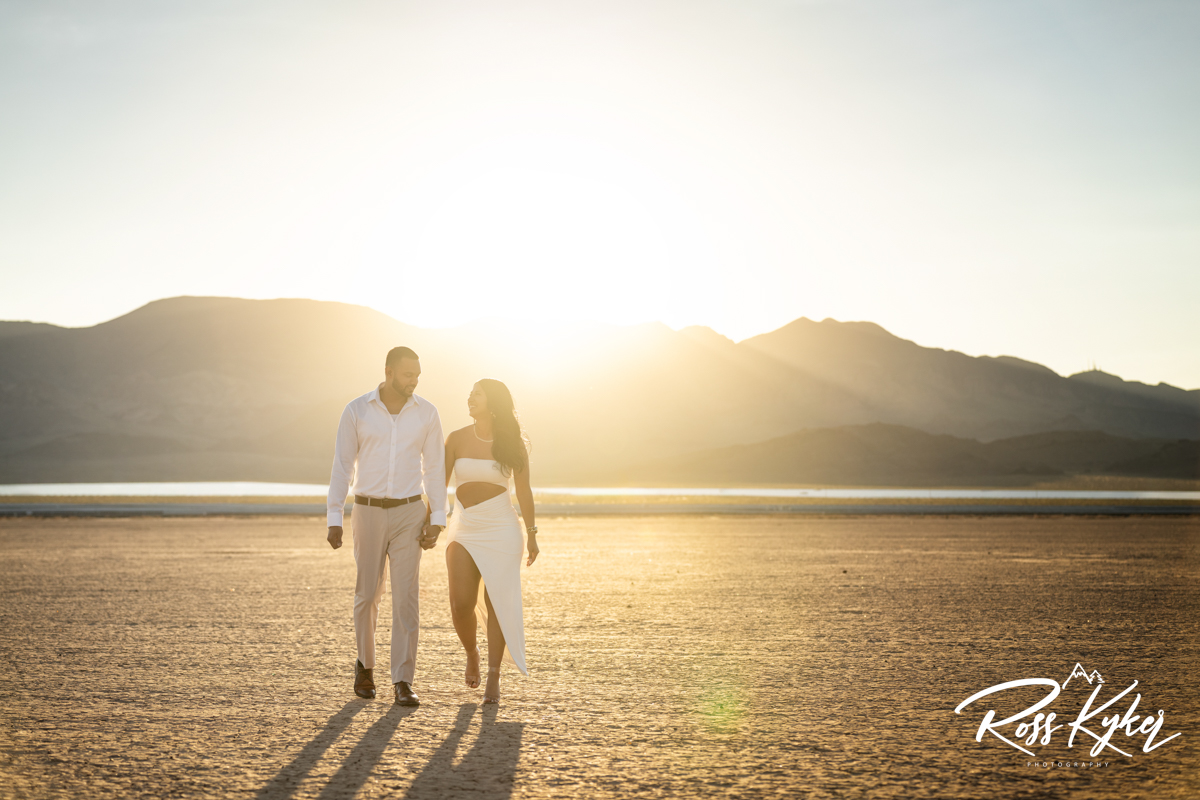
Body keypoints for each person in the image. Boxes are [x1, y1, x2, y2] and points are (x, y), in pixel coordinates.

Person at [326, 346, 447, 706]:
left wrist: (437, 518)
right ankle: (365, 666)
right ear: (389, 371)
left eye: (418, 376)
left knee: (406, 598)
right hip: (367, 510)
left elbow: (435, 469)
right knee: (367, 594)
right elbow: (342, 466)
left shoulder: (427, 413)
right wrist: (335, 517)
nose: (414, 381)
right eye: (408, 374)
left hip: (410, 512)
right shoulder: (357, 410)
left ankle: (402, 681)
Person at [442, 379, 539, 704]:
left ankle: (494, 676)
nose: (470, 398)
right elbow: (438, 484)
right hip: (465, 525)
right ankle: (472, 652)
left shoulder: (512, 442)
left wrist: (533, 533)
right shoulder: (456, 439)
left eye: (477, 394)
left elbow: (523, 491)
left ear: (493, 402)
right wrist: (431, 521)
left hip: (502, 528)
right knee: (460, 604)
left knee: (498, 600)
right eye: (469, 393)